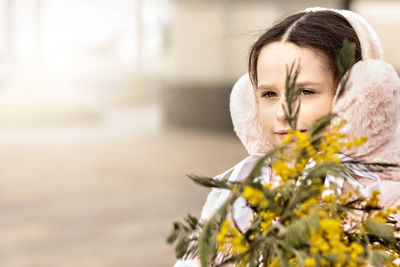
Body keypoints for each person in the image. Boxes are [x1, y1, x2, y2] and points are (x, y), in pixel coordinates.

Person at [174, 7, 400, 267]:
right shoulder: (240, 188)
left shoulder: (381, 194)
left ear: (358, 96)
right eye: (269, 94)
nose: (284, 113)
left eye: (305, 91)